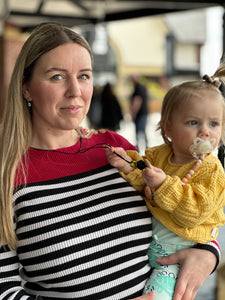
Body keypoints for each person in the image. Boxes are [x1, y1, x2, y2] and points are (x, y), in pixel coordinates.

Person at [0, 22, 220, 300]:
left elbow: (184, 208)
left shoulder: (116, 149)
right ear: (26, 88)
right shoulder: (6, 173)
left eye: (84, 76)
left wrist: (208, 254)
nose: (75, 91)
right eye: (57, 77)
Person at [105, 71, 225, 299]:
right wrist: (128, 165)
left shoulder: (212, 171)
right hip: (147, 249)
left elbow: (195, 212)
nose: (205, 132)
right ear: (167, 128)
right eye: (193, 122)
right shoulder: (158, 155)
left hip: (179, 255)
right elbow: (145, 184)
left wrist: (163, 185)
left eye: (214, 123)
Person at [130, 75, 149, 151]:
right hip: (144, 112)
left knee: (139, 132)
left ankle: (138, 148)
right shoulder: (143, 87)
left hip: (140, 113)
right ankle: (147, 147)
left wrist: (133, 112)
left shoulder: (138, 87)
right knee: (143, 131)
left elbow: (137, 101)